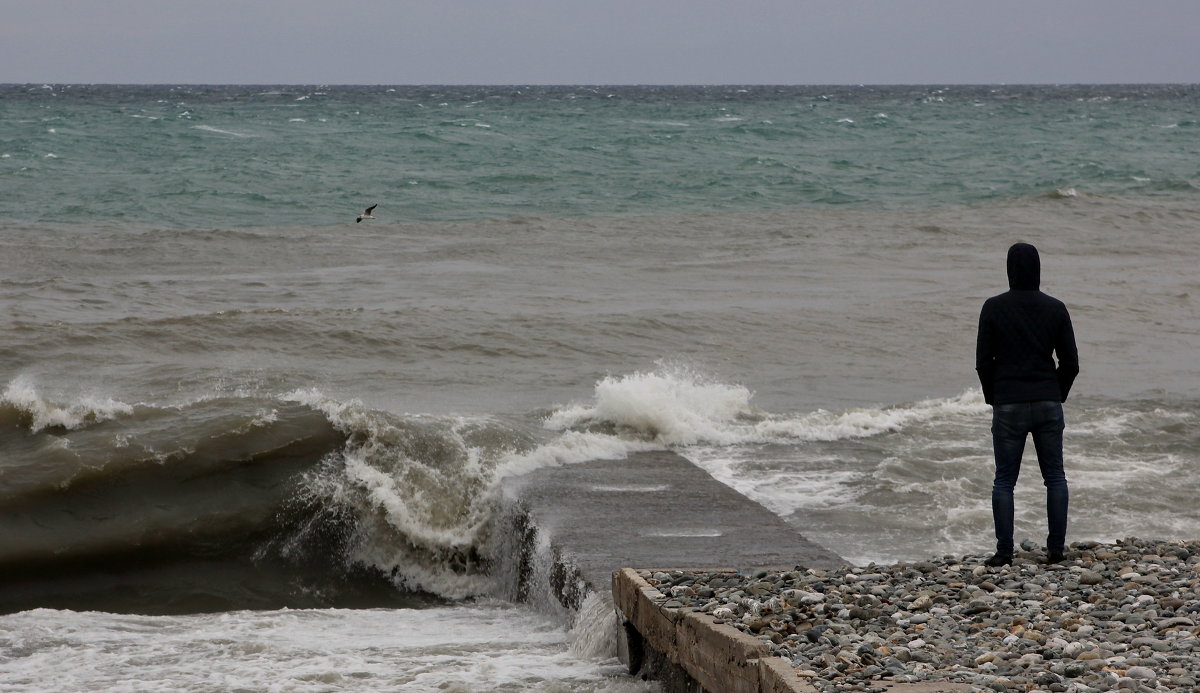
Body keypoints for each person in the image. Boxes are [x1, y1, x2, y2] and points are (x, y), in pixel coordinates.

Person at [975, 242, 1079, 566]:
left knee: (1005, 480)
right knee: (1055, 477)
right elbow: (1070, 363)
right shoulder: (1055, 307)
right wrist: (1055, 393)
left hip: (1008, 403)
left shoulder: (993, 307)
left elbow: (983, 362)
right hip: (1048, 401)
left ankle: (1004, 552)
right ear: (1038, 269)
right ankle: (1056, 550)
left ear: (1009, 270)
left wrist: (994, 396)